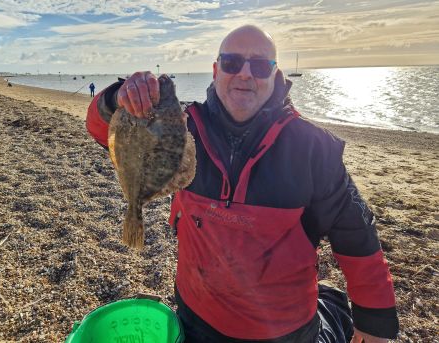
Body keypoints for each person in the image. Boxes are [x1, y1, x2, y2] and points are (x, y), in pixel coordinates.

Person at [86, 25, 398, 342]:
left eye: (260, 65)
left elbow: (358, 238)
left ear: (276, 75)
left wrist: (374, 325)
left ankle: (330, 307)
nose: (245, 74)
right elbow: (104, 131)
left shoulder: (313, 149)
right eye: (232, 63)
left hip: (285, 331)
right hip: (195, 317)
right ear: (215, 70)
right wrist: (116, 98)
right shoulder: (182, 125)